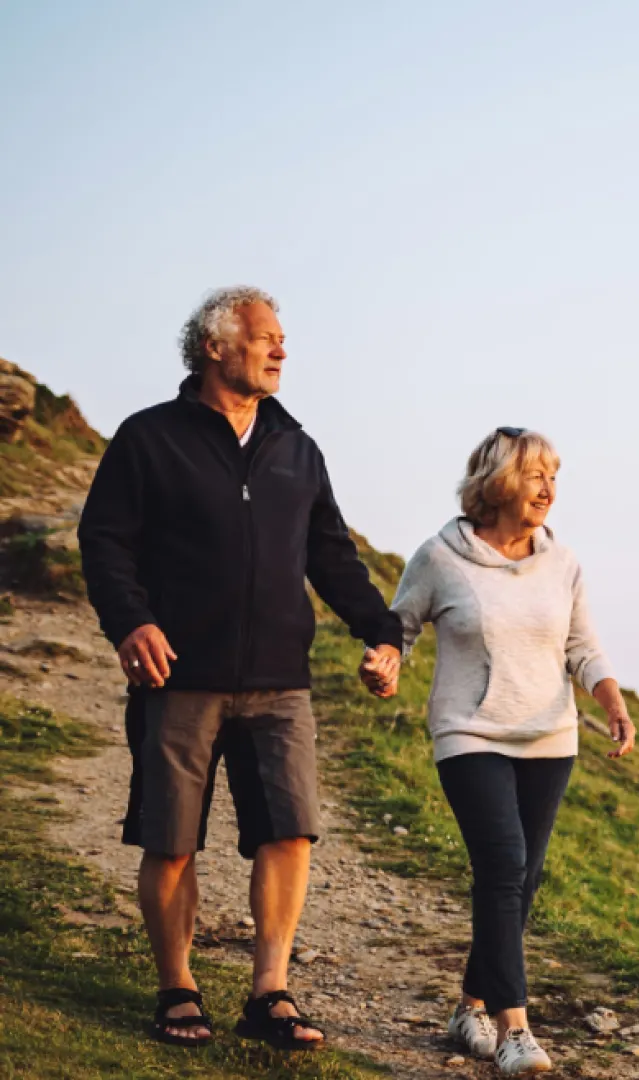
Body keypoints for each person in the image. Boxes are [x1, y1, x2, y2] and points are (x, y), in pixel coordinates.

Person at [78, 286, 403, 1050]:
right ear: (216, 347)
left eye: (281, 338)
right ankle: (177, 987)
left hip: (280, 680)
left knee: (289, 833)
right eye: (265, 337)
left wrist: (380, 631)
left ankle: (270, 993)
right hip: (178, 677)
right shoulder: (148, 438)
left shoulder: (297, 446)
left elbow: (331, 554)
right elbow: (104, 541)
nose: (280, 349)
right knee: (172, 840)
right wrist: (132, 621)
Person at [381, 427, 634, 1076]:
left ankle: (470, 1005)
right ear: (496, 484)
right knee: (503, 865)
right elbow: (399, 625)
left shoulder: (563, 562)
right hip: (470, 733)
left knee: (521, 881)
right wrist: (384, 662)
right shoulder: (442, 556)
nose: (548, 489)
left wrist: (611, 701)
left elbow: (582, 646)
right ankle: (514, 1029)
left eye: (554, 477)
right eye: (534, 476)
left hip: (550, 736)